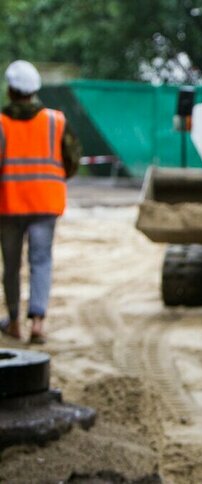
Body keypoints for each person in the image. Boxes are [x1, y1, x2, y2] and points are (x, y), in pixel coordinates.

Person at [0, 60, 80, 344]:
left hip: (8, 205)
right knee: (41, 260)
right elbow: (72, 161)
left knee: (11, 265)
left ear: (10, 91)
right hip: (45, 203)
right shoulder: (55, 121)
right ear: (34, 91)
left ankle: (13, 322)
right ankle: (37, 322)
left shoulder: (1, 123)